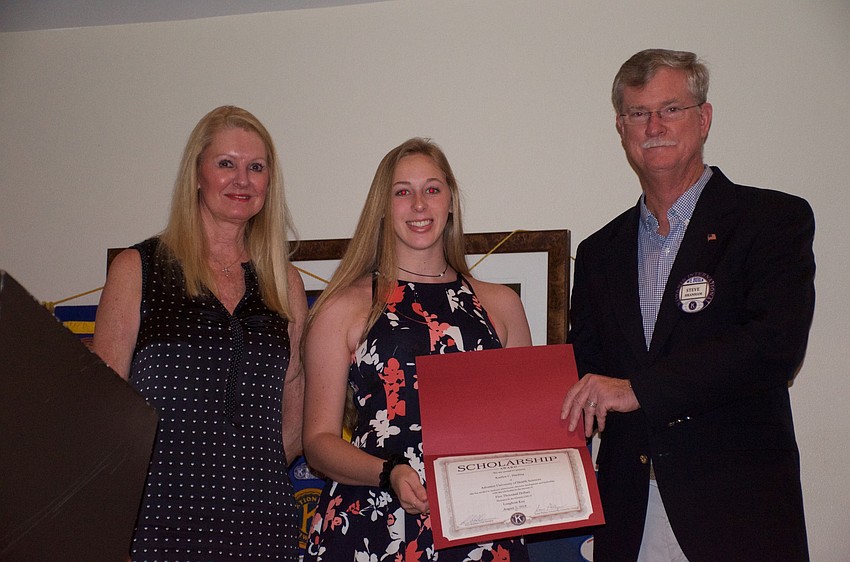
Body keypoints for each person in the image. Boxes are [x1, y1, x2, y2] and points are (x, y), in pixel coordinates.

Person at [561, 49, 815, 562]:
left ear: (704, 118)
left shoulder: (771, 220)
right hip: (628, 514)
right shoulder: (596, 253)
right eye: (638, 113)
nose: (654, 125)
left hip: (738, 512)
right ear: (621, 128)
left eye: (670, 109)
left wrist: (640, 390)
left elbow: (774, 348)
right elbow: (584, 373)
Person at [93, 105, 307, 561]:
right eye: (225, 164)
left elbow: (295, 404)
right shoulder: (138, 268)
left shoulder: (285, 282)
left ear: (270, 184)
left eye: (256, 167)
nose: (242, 180)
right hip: (155, 519)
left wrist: (247, 474)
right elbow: (100, 409)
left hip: (262, 524)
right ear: (196, 174)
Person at [302, 138, 532, 561]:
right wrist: (388, 472)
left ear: (451, 202)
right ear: (384, 208)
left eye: (432, 189)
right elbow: (317, 441)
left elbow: (524, 431)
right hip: (370, 523)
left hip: (480, 528)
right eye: (402, 191)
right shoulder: (343, 307)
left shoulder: (502, 306)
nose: (420, 204)